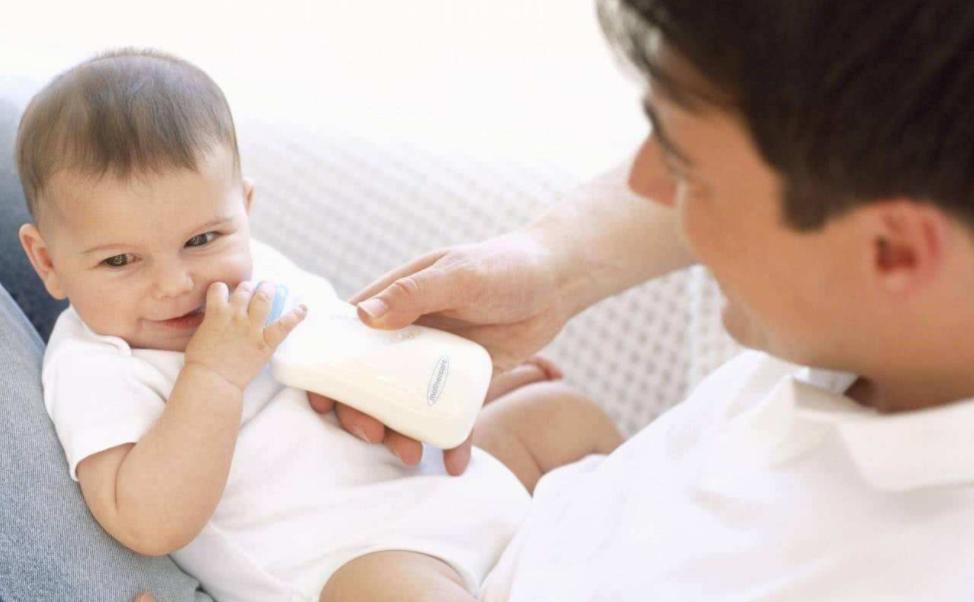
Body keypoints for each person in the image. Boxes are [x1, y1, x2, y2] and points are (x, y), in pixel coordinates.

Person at [334, 0, 974, 598]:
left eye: (689, 172)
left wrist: (386, 567)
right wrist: (551, 265)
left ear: (895, 252)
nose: (643, 184)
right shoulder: (855, 327)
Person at [12, 48, 622, 602]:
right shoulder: (94, 364)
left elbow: (355, 355)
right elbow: (145, 521)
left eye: (203, 238)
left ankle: (660, 550)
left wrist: (448, 391)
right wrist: (213, 377)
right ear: (48, 262)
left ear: (243, 210)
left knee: (560, 415)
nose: (176, 283)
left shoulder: (263, 271)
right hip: (356, 558)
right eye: (120, 261)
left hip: (444, 479)